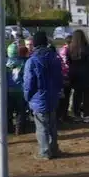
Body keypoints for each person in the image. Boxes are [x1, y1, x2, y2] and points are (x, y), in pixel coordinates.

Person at [23, 31, 63, 159]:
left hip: (38, 98)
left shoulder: (32, 61)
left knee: (41, 127)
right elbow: (59, 78)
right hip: (52, 96)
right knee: (52, 125)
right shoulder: (55, 58)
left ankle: (45, 152)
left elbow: (29, 83)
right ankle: (54, 149)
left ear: (34, 44)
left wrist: (27, 97)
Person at [67, 30, 89, 123]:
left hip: (74, 74)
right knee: (86, 95)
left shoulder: (70, 48)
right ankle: (86, 114)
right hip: (85, 73)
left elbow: (68, 61)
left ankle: (76, 114)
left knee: (76, 94)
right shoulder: (87, 48)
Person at [7, 45, 28, 135]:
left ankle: (8, 128)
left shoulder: (5, 62)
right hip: (20, 90)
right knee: (20, 111)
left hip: (8, 90)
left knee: (9, 111)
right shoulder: (23, 62)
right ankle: (19, 129)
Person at [57, 34, 72, 122]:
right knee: (65, 96)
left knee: (65, 96)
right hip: (65, 75)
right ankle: (63, 115)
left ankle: (64, 115)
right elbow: (66, 64)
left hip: (63, 75)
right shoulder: (66, 50)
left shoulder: (62, 49)